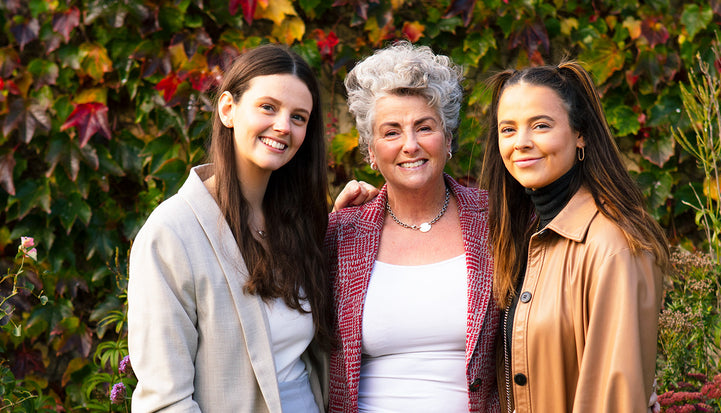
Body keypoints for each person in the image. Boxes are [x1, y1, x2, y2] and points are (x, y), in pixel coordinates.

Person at [127, 44, 332, 412]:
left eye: (299, 117)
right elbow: (165, 400)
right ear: (227, 109)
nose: (283, 126)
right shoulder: (172, 234)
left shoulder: (299, 224)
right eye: (268, 107)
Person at [481, 61, 668, 412]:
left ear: (579, 133)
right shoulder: (522, 235)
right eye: (508, 129)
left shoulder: (612, 246)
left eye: (540, 125)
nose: (521, 143)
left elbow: (615, 399)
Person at [326, 41, 500, 412]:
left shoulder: (496, 222)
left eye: (424, 127)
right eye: (391, 132)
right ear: (370, 151)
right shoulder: (341, 234)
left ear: (448, 138)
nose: (410, 145)